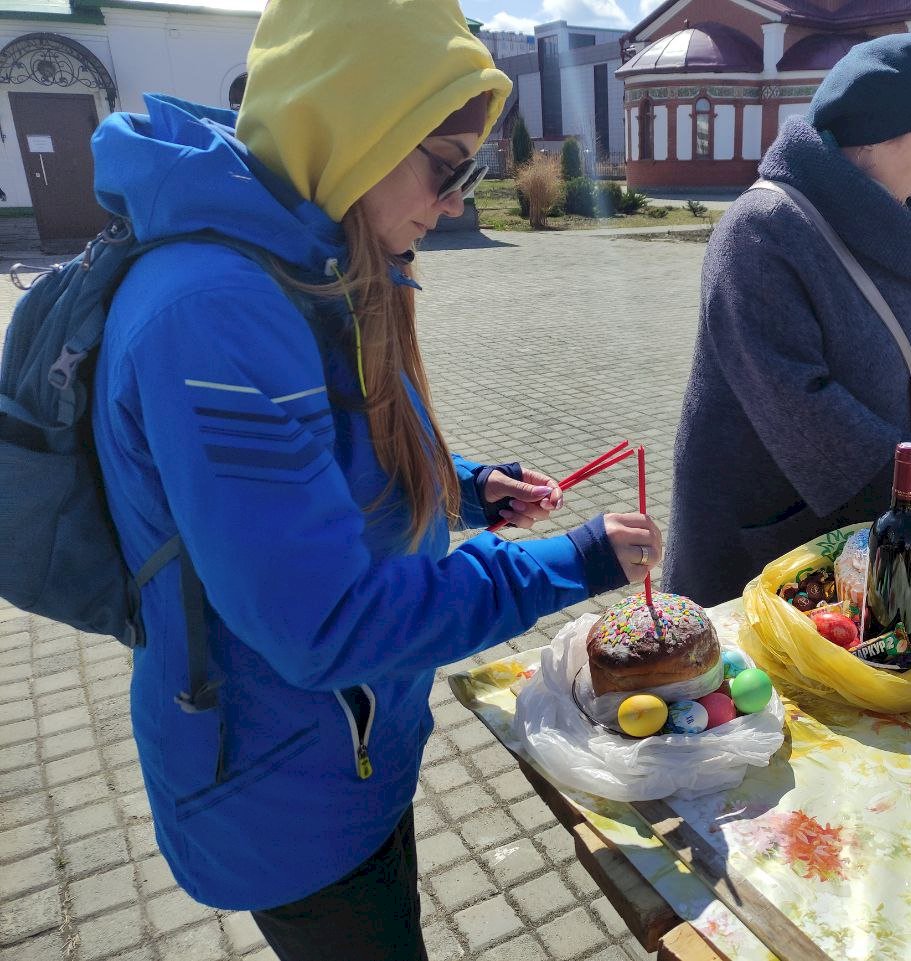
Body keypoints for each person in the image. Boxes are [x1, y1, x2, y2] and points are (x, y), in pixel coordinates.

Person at [88, 1, 662, 957]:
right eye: (447, 165)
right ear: (357, 126)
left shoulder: (316, 245)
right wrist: (573, 561)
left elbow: (329, 449)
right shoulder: (216, 312)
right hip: (281, 788)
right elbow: (326, 623)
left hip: (346, 751)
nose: (454, 202)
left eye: (472, 171)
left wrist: (464, 486)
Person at [663, 34, 911, 609]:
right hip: (766, 534)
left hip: (862, 526)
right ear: (875, 141)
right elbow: (800, 404)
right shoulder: (762, 230)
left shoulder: (894, 216)